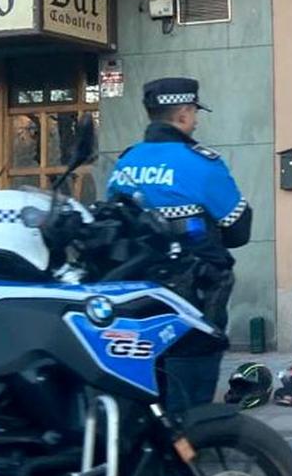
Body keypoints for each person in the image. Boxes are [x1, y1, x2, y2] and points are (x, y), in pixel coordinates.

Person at [106, 77, 251, 415]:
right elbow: (239, 230)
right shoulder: (201, 163)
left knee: (144, 396)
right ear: (184, 113)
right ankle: (189, 451)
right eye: (194, 112)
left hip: (135, 298)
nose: (196, 120)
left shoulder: (125, 164)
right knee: (190, 403)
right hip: (192, 299)